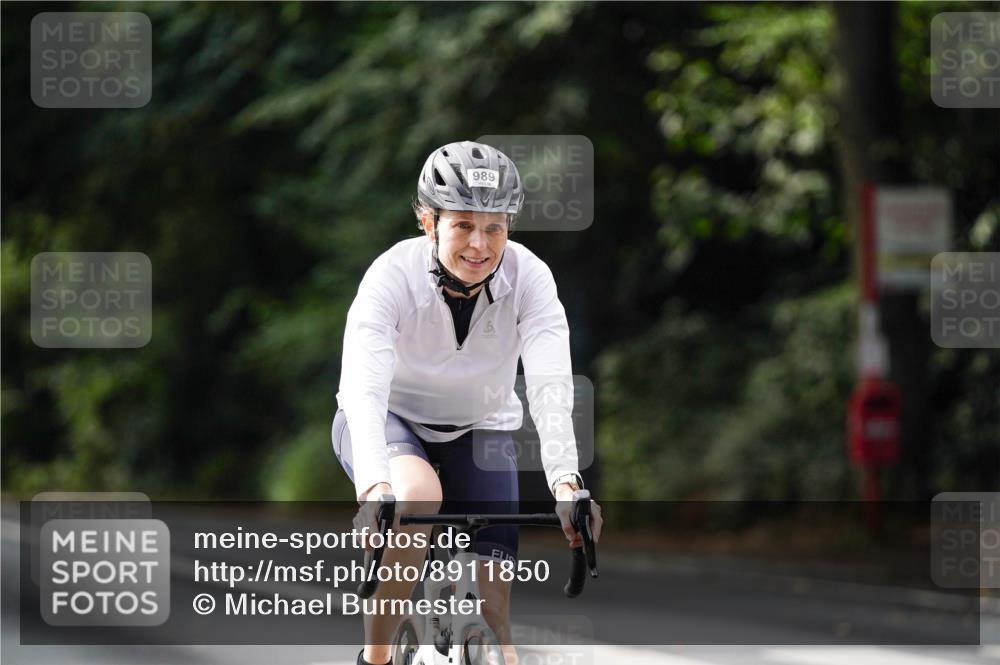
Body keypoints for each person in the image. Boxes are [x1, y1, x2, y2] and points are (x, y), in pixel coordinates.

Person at [331, 140, 603, 665]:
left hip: (481, 427)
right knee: (416, 496)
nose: (480, 244)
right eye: (462, 225)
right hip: (392, 419)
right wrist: (375, 488)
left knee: (496, 621)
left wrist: (566, 484)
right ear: (428, 223)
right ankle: (376, 657)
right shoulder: (391, 276)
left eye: (494, 227)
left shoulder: (530, 278)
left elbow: (550, 386)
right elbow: (364, 389)